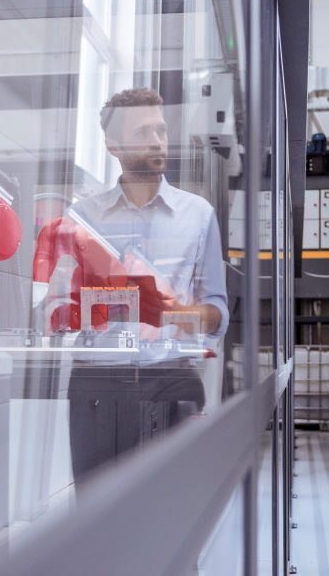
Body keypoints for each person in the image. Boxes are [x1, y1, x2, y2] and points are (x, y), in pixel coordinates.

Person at [35, 87, 229, 488]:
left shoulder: (198, 215)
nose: (158, 141)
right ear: (113, 145)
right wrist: (82, 308)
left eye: (161, 130)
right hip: (97, 384)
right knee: (96, 507)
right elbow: (54, 310)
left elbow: (217, 314)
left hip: (172, 378)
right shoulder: (82, 217)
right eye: (143, 133)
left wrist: (172, 312)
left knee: (174, 508)